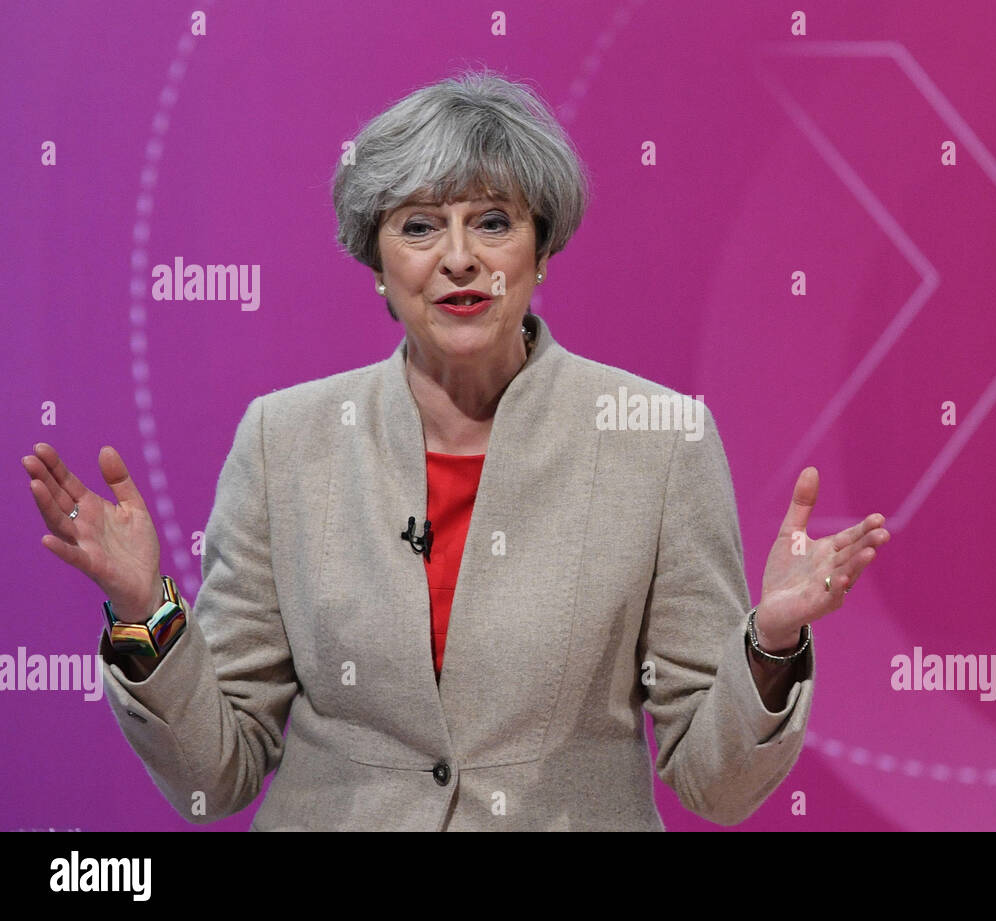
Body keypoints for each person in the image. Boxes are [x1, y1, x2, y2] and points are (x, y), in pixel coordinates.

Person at [20, 68, 890, 830]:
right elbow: (217, 773)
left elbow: (716, 785)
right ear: (377, 263)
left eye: (494, 221)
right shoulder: (284, 441)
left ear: (542, 250)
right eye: (420, 226)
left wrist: (769, 642)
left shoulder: (659, 441)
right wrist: (146, 614)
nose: (461, 259)